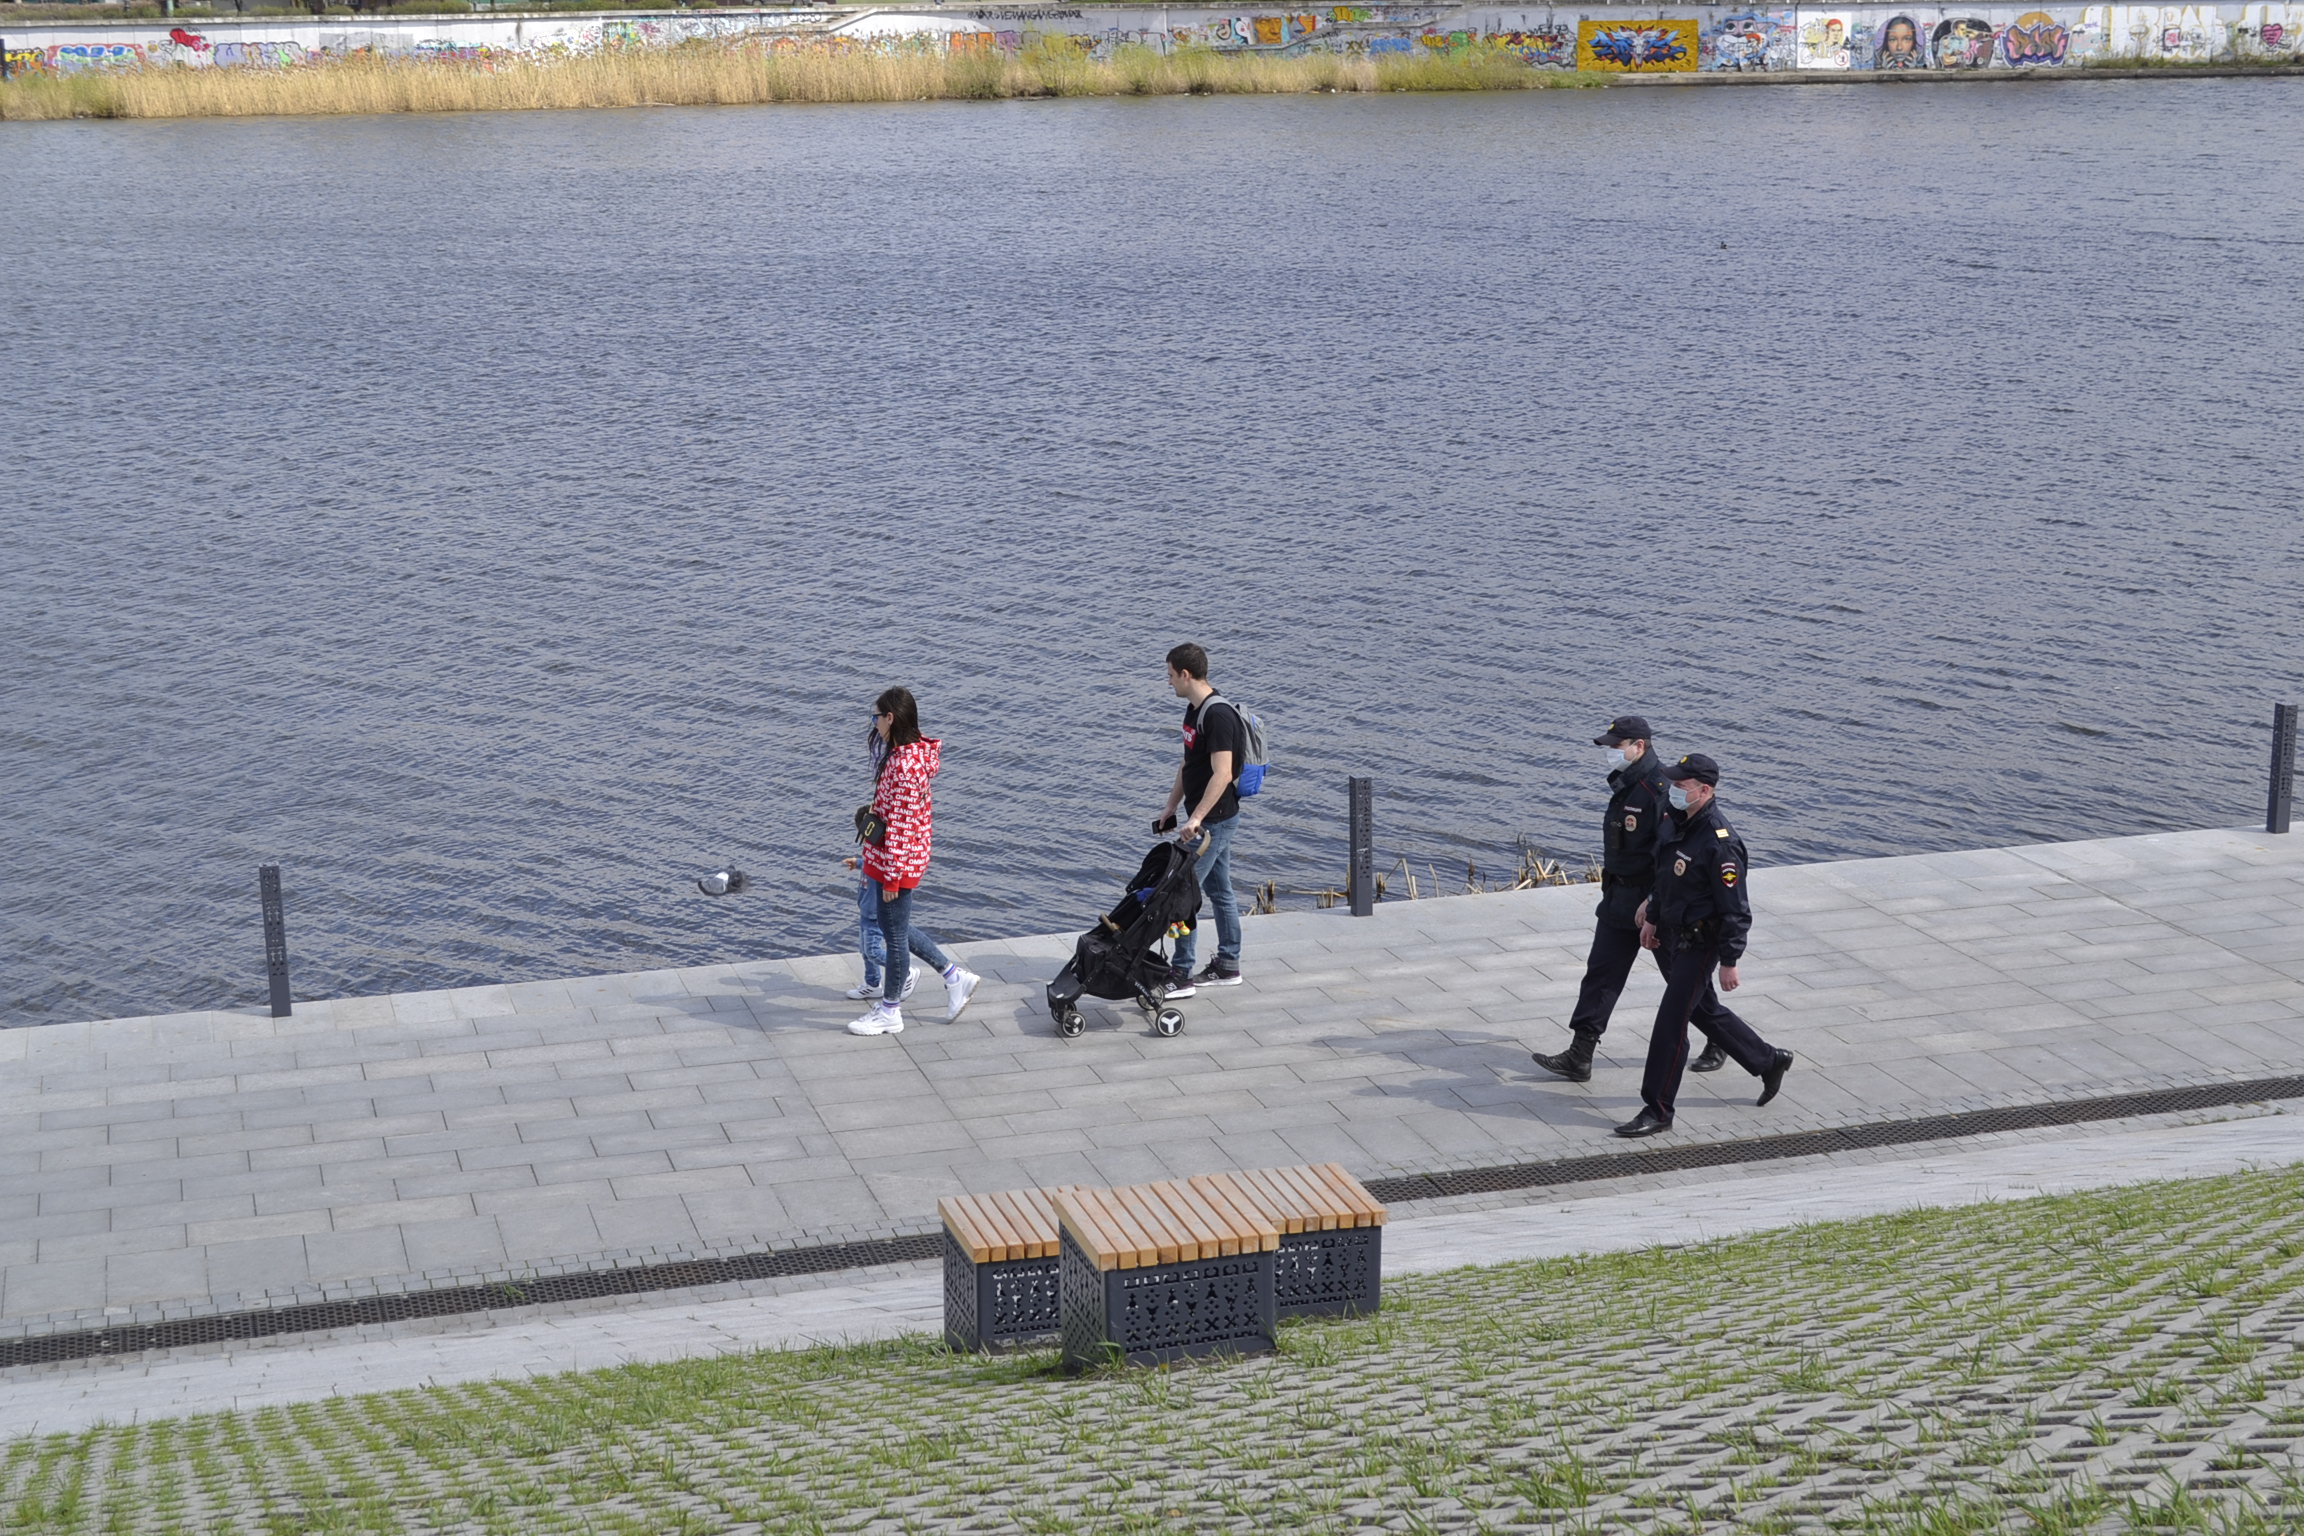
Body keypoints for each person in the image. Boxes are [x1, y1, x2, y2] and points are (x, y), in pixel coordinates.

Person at [1534, 715, 1727, 1081]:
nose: (1610, 752)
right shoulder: (1627, 784)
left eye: (1616, 746)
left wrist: (1653, 900)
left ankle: (1720, 1039)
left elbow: (1669, 852)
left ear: (1639, 746)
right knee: (1601, 973)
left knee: (1682, 979)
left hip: (1653, 904)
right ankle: (1581, 1053)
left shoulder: (1659, 790)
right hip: (1618, 897)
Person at [1614, 753, 1793, 1137]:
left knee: (1670, 1023)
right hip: (1671, 933)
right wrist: (1653, 916)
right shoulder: (1676, 822)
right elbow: (1666, 878)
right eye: (1674, 784)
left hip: (1701, 943)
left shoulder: (1720, 843)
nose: (1674, 791)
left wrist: (1730, 960)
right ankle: (1768, 1060)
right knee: (1703, 1009)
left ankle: (1658, 1109)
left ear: (1705, 791)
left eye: (1682, 786)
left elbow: (1736, 910)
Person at [846, 688, 979, 1037]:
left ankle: (890, 1010)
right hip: (889, 858)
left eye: (876, 717)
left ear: (891, 718)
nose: (873, 723)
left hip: (896, 862)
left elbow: (902, 826)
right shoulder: (908, 754)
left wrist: (892, 878)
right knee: (896, 929)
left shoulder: (905, 767)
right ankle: (954, 977)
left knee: (893, 937)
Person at [1155, 643, 1245, 997]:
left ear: (1185, 674)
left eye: (1170, 675)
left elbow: (1223, 774)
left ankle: (1181, 974)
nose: (1168, 682)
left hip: (1214, 821)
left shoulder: (1218, 716)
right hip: (1206, 818)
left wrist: (1195, 819)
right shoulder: (1194, 711)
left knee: (1182, 891)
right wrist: (1170, 807)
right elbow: (1187, 765)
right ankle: (1228, 965)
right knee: (1219, 891)